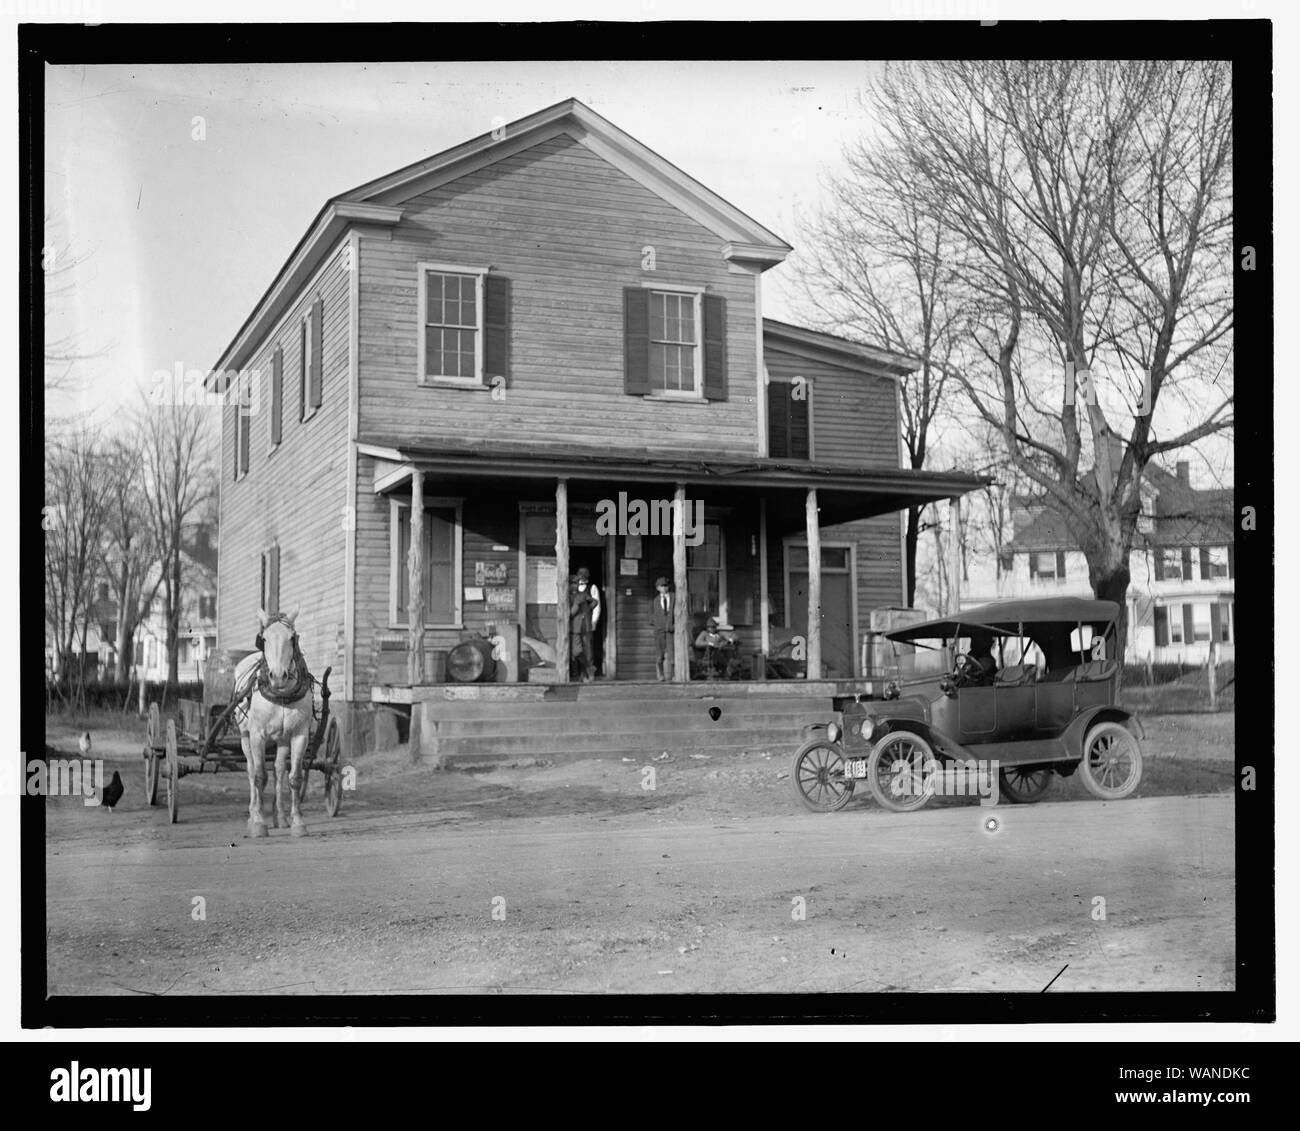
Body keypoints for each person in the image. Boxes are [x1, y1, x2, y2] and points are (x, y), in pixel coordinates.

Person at [570, 569, 598, 682]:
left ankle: (588, 675)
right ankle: (589, 668)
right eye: (573, 583)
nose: (575, 585)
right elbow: (569, 614)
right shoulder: (568, 597)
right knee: (576, 652)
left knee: (588, 651)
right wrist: (577, 604)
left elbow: (595, 602)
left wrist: (587, 610)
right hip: (575, 628)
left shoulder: (583, 594)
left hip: (586, 626)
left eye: (577, 583)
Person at [649, 576, 675, 681]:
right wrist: (658, 624)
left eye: (665, 586)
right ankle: (660, 675)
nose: (664, 588)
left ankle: (674, 675)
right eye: (661, 586)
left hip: (671, 630)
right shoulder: (655, 601)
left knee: (672, 653)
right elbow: (651, 617)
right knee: (659, 655)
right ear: (657, 588)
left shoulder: (674, 597)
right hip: (659, 631)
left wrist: (673, 625)